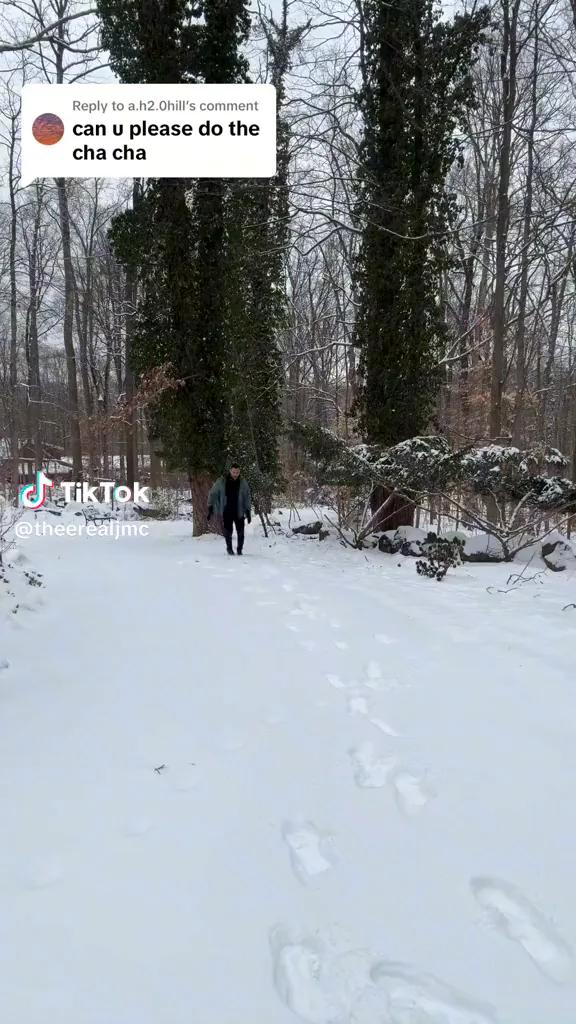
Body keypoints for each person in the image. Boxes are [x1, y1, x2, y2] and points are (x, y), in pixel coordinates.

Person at [207, 464, 252, 555]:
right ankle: (229, 549)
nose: (235, 474)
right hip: (226, 511)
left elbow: (247, 496)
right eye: (234, 472)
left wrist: (248, 510)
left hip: (239, 511)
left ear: (239, 472)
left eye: (237, 473)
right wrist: (210, 506)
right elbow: (212, 493)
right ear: (230, 471)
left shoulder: (243, 482)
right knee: (228, 532)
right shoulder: (222, 481)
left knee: (241, 532)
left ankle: (239, 550)